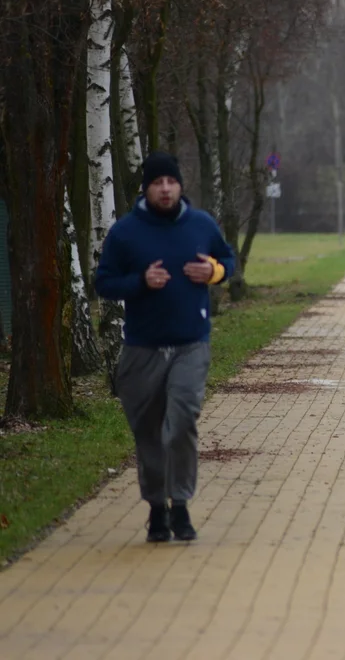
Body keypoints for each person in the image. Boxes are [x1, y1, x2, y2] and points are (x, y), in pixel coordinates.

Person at [95, 150, 236, 543]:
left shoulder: (201, 224)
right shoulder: (125, 233)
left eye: (171, 182)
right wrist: (140, 281)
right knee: (150, 434)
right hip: (143, 349)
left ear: (180, 185)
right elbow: (103, 282)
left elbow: (227, 259)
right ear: (146, 188)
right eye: (157, 183)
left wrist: (215, 271)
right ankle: (157, 509)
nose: (165, 189)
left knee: (182, 423)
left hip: (191, 343)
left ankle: (182, 505)